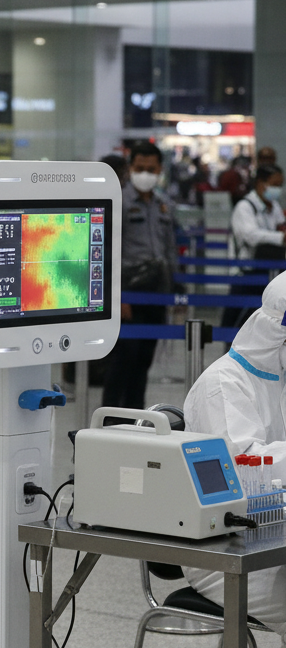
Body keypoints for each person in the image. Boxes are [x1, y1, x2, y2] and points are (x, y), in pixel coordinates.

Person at [182, 271, 286, 639]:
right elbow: (243, 469)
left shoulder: (280, 378)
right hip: (226, 556)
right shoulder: (223, 386)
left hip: (274, 539)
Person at [101, 141, 177, 410]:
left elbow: (169, 248)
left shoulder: (163, 205)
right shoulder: (119, 201)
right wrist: (118, 295)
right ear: (130, 168)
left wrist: (175, 290)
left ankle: (135, 415)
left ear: (160, 170)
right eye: (140, 168)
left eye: (151, 169)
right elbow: (109, 250)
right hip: (128, 294)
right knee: (124, 358)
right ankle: (111, 416)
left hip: (156, 291)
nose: (145, 174)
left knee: (144, 359)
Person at [221, 163, 286, 332]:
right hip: (244, 273)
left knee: (260, 325)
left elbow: (281, 225)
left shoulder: (273, 206)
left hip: (267, 273)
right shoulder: (245, 207)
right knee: (236, 325)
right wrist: (281, 237)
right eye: (274, 184)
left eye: (280, 185)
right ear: (260, 183)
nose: (278, 189)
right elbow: (250, 235)